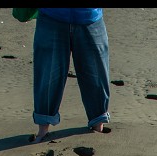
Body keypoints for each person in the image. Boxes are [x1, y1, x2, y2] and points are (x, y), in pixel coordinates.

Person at [30, 8, 111, 143]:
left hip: (90, 17)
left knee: (96, 75)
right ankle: (42, 130)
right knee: (47, 75)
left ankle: (98, 126)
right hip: (52, 16)